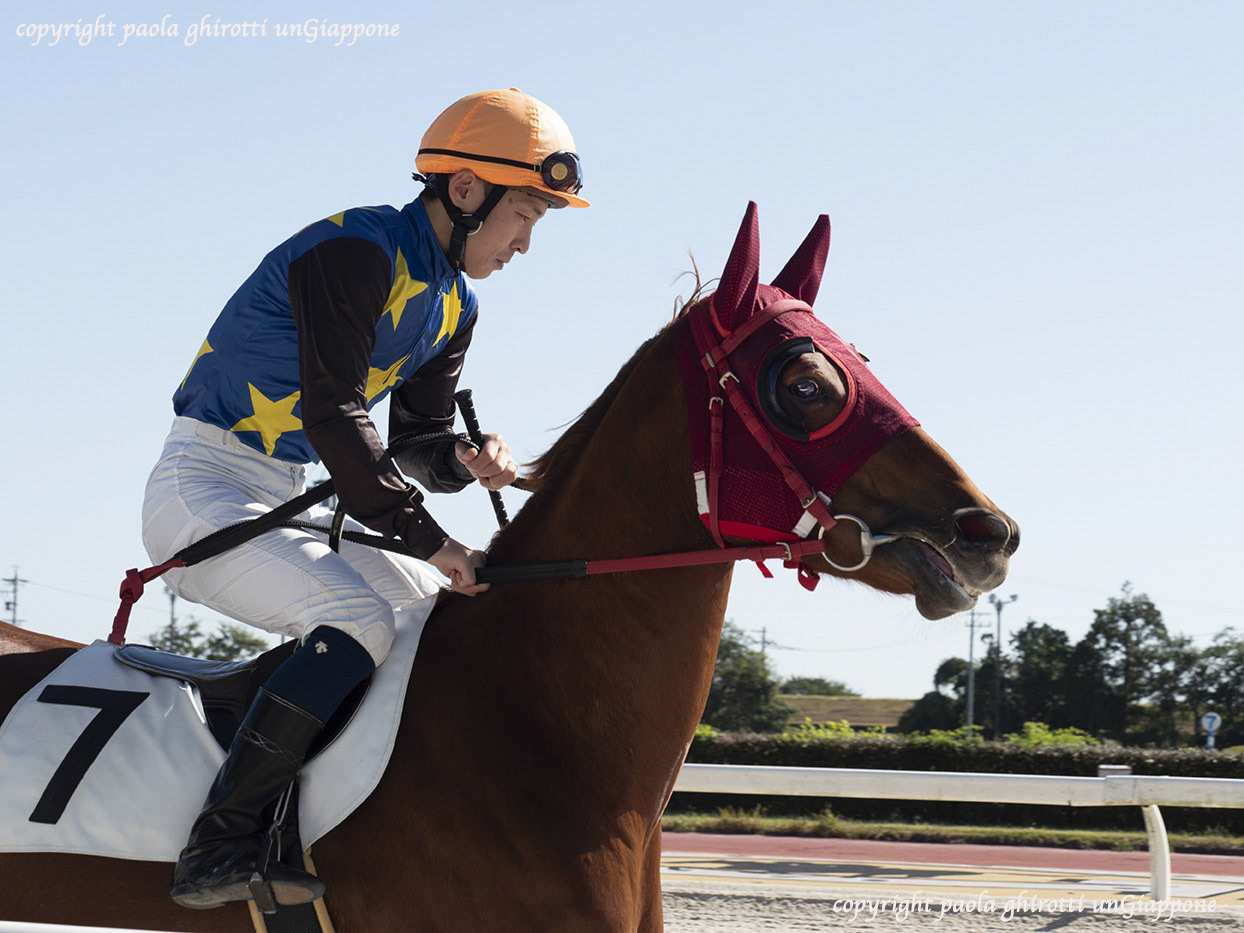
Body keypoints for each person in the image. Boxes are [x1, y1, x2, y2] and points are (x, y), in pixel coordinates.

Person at [141, 88, 588, 911]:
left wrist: (465, 454)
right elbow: (334, 412)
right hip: (203, 490)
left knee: (429, 621)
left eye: (538, 223)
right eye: (523, 214)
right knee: (362, 619)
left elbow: (414, 441)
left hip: (288, 502)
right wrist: (432, 540)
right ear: (465, 191)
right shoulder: (354, 249)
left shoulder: (459, 302)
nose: (526, 243)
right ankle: (221, 839)